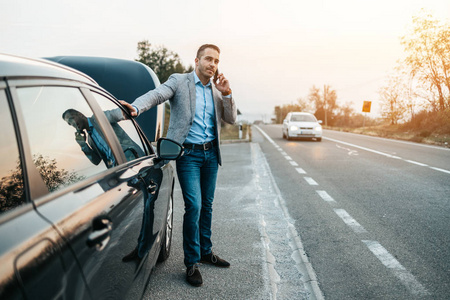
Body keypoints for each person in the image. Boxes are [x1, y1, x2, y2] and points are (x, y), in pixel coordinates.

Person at [120, 44, 237, 287]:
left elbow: (231, 119)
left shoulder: (216, 90)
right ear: (196, 60)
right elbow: (157, 94)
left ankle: (206, 251)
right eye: (208, 59)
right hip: (188, 156)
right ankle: (191, 262)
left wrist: (227, 94)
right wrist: (136, 107)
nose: (212, 65)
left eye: (216, 61)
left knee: (207, 205)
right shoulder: (180, 81)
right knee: (193, 206)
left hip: (210, 156)